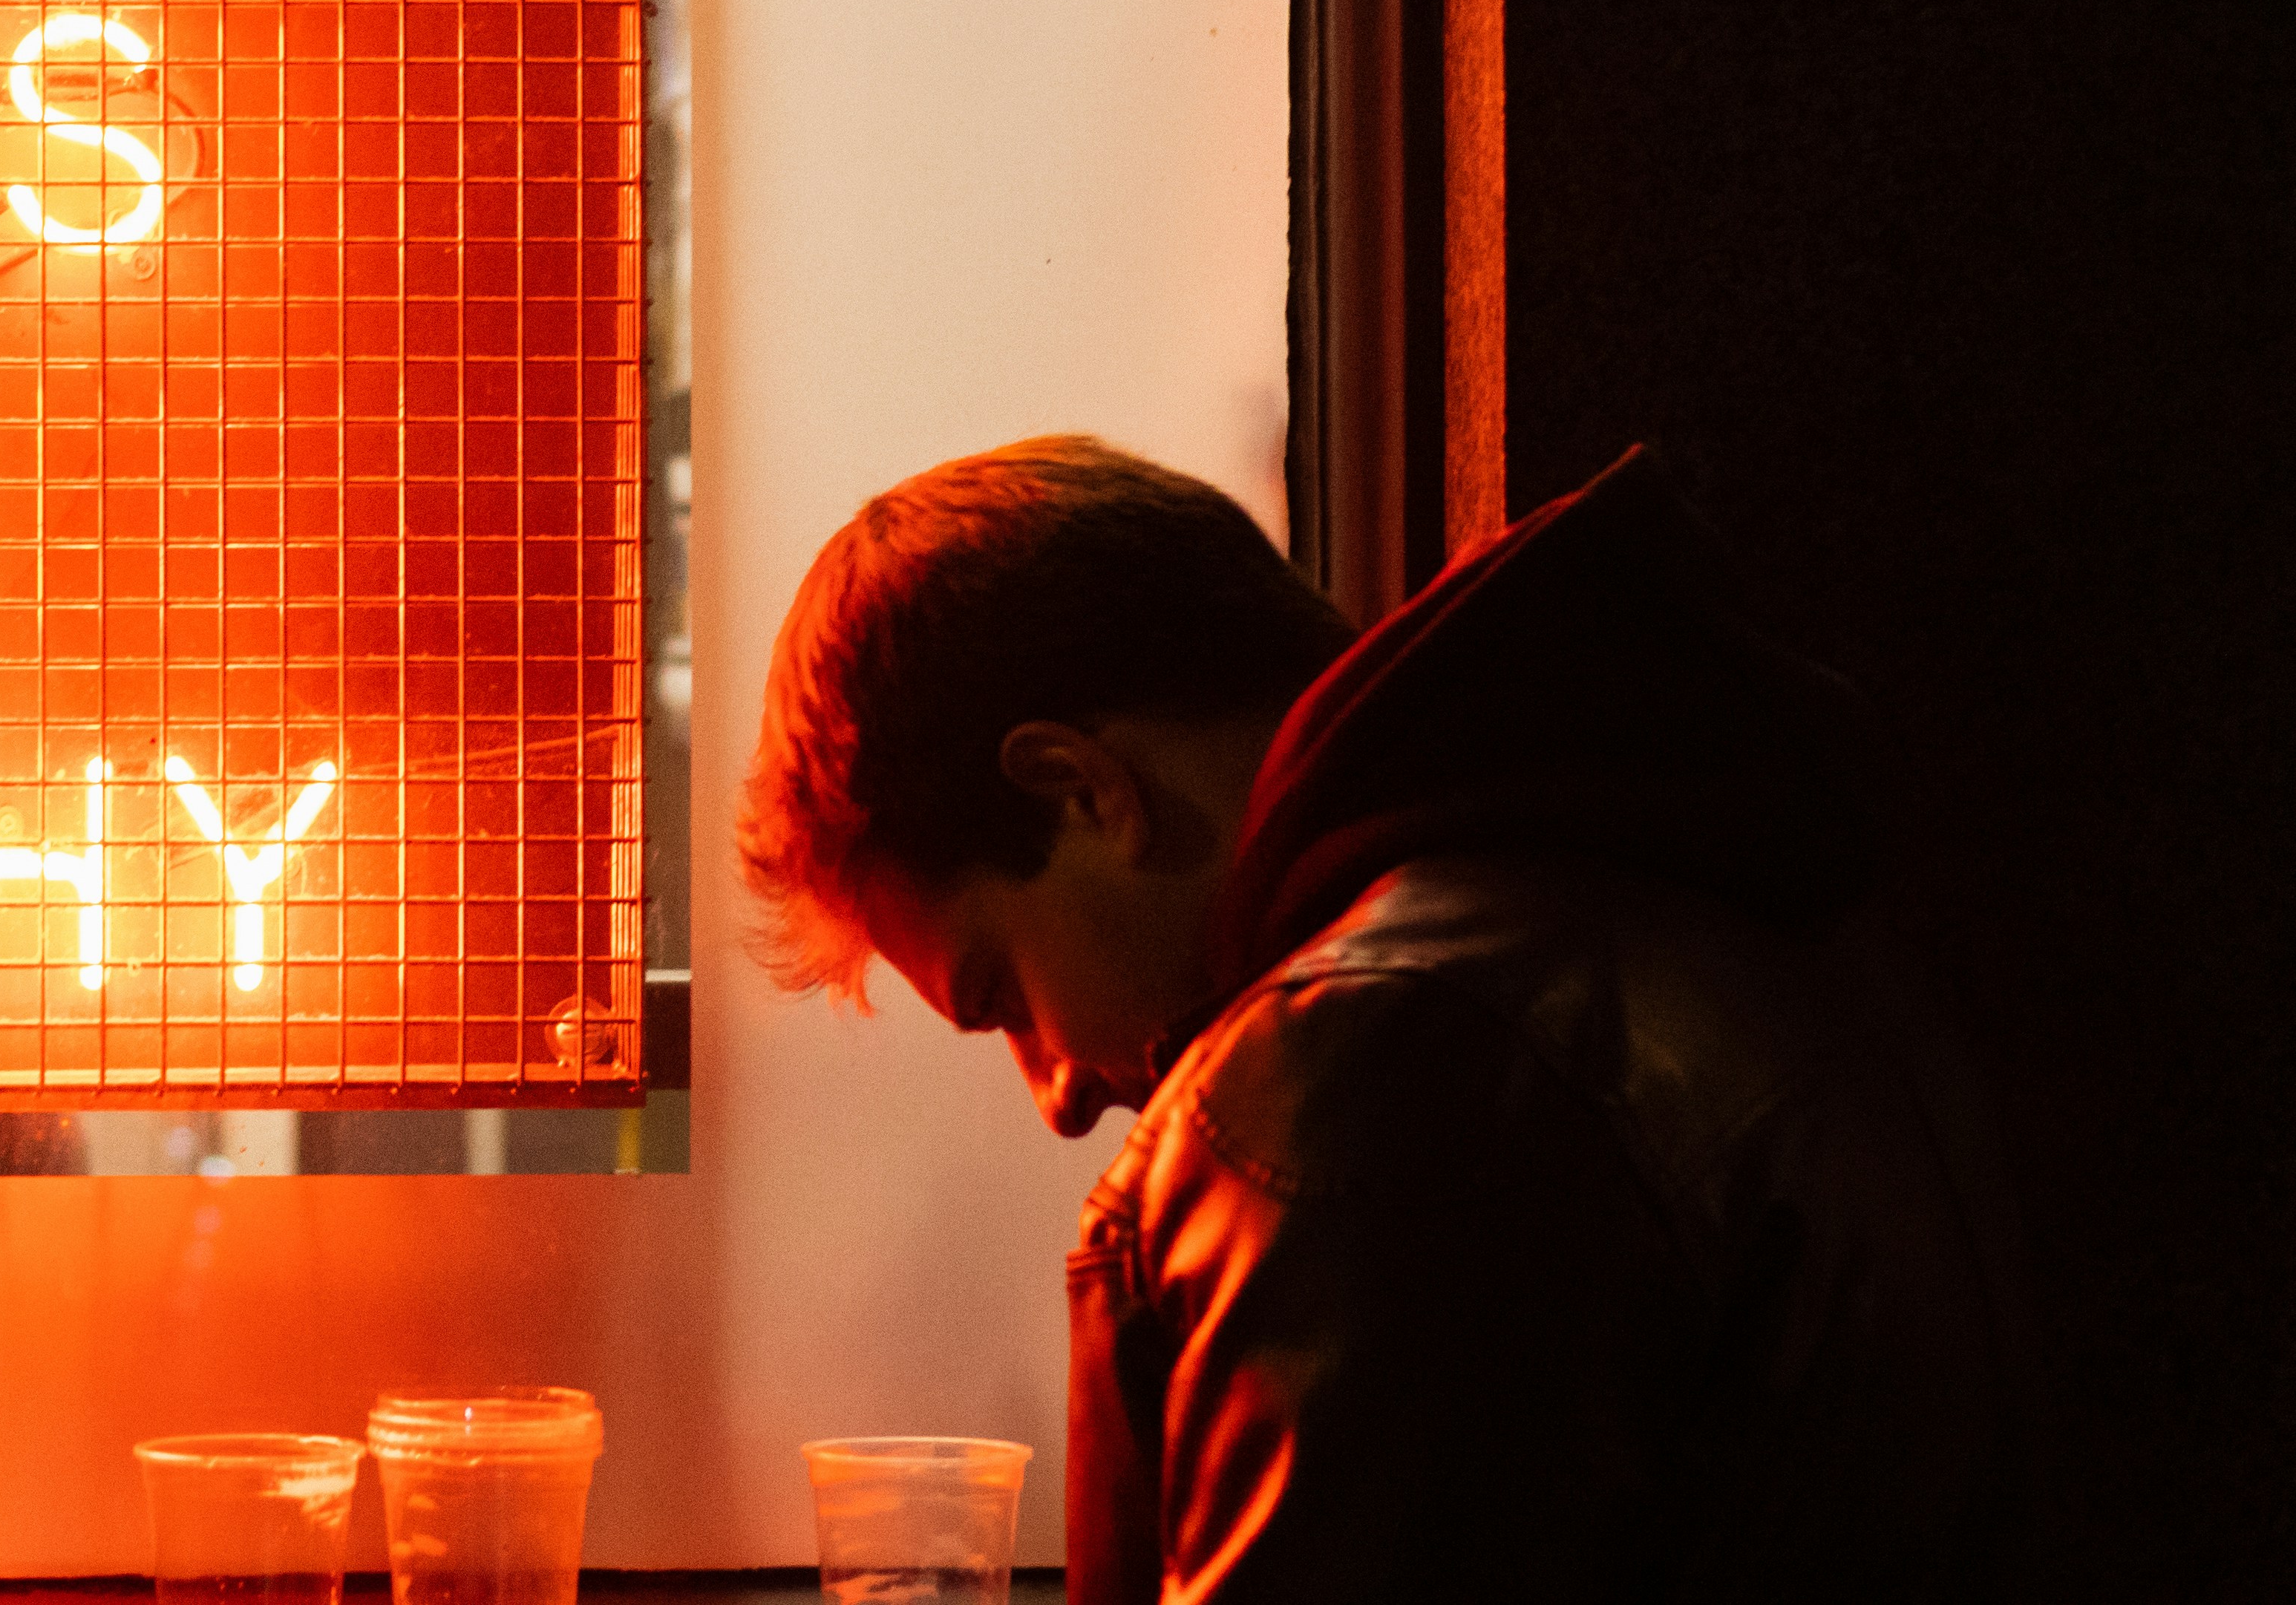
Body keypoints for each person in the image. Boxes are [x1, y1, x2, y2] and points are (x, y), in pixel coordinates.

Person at [739, 437, 2029, 1601]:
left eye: (1000, 997)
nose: (1059, 1093)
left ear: (1081, 789)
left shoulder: (1364, 1071)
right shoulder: (1703, 899)